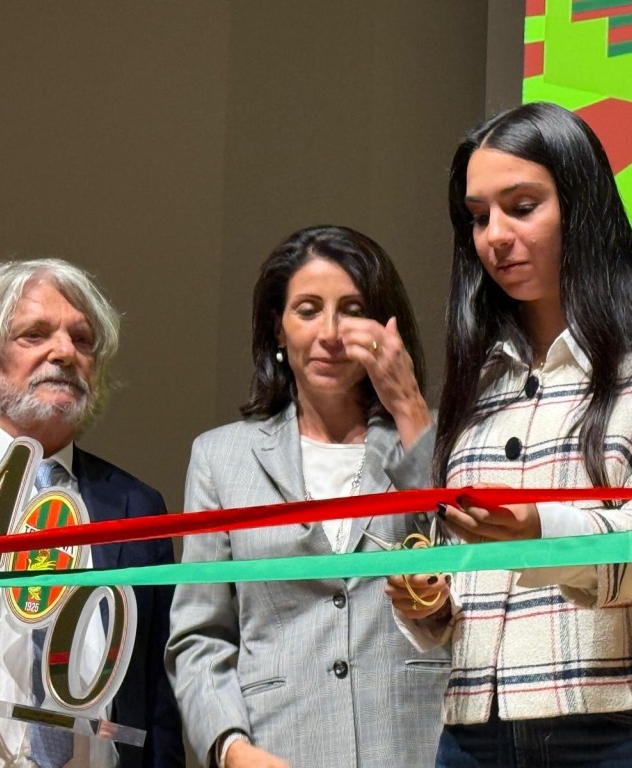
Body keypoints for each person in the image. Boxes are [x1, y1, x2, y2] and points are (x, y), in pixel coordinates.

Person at [386, 102, 632, 767]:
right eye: (478, 216)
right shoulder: (480, 378)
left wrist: (541, 528)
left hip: (616, 729)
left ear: (582, 205)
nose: (495, 235)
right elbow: (463, 578)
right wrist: (429, 596)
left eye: (522, 206)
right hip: (473, 733)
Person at [165, 225, 449, 768]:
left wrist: (410, 408)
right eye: (308, 309)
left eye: (352, 308)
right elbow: (200, 636)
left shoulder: (441, 438)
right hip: (278, 747)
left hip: (419, 745)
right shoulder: (221, 458)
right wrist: (231, 749)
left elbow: (472, 567)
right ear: (278, 327)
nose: (331, 332)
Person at [0, 258, 183, 767]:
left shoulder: (136, 508)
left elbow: (159, 705)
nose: (66, 353)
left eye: (83, 340)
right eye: (35, 334)